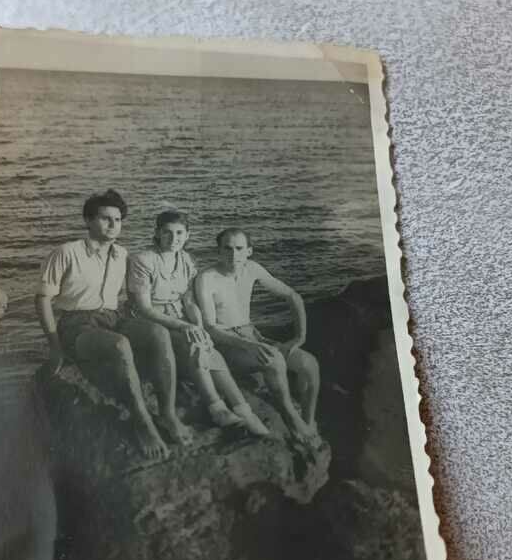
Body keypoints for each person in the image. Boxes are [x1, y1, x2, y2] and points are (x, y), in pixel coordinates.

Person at [35, 188, 170, 462]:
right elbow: (42, 299)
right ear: (88, 220)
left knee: (159, 333)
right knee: (120, 345)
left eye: (118, 220)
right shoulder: (66, 253)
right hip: (76, 324)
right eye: (106, 218)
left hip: (113, 317)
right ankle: (142, 422)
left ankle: (167, 414)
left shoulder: (122, 254)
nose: (113, 225)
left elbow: (130, 298)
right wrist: (55, 346)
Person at [127, 210, 270, 440]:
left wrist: (199, 324)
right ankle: (217, 408)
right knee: (193, 345)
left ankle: (244, 410)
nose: (174, 239)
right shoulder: (143, 260)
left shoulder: (187, 260)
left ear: (187, 235)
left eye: (179, 233)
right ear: (157, 233)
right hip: (149, 321)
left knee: (207, 344)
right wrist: (186, 328)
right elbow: (144, 308)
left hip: (179, 315)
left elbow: (189, 300)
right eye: (167, 233)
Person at [195, 228, 323, 451]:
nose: (233, 254)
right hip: (227, 343)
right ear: (218, 251)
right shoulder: (207, 278)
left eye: (239, 248)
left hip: (251, 334)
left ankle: (308, 421)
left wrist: (299, 337)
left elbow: (293, 296)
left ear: (249, 252)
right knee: (274, 359)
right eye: (227, 248)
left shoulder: (251, 269)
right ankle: (292, 419)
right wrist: (248, 345)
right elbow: (210, 327)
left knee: (309, 364)